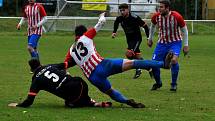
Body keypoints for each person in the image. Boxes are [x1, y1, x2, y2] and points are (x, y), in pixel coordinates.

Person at [64, 12, 173, 108]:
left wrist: (66, 73)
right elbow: (101, 22)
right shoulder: (86, 36)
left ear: (75, 35)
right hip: (103, 65)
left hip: (93, 77)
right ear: (84, 32)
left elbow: (65, 65)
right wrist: (102, 15)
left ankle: (127, 101)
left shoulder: (71, 51)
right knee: (134, 63)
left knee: (110, 92)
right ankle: (163, 64)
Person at [8, 59, 112, 108]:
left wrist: (17, 105)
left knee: (70, 103)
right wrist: (80, 58)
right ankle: (92, 101)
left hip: (73, 94)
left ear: (32, 70)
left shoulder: (36, 80)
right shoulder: (49, 66)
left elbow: (29, 101)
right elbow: (68, 64)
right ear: (41, 64)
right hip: (81, 83)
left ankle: (93, 103)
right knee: (75, 93)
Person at [147, 0, 189, 91]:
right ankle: (158, 83)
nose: (159, 9)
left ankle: (173, 84)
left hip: (175, 42)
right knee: (154, 64)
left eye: (161, 7)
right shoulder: (156, 16)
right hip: (161, 43)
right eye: (159, 7)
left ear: (167, 8)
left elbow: (184, 30)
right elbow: (152, 27)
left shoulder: (177, 16)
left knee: (174, 60)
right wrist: (149, 39)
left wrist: (186, 45)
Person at [112, 3, 151, 79]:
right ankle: (149, 67)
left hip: (137, 39)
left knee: (129, 54)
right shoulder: (120, 18)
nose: (122, 12)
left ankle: (138, 69)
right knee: (137, 57)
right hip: (129, 40)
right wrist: (114, 32)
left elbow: (145, 26)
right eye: (121, 10)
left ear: (128, 9)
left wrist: (148, 38)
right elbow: (116, 22)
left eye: (123, 10)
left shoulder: (135, 17)